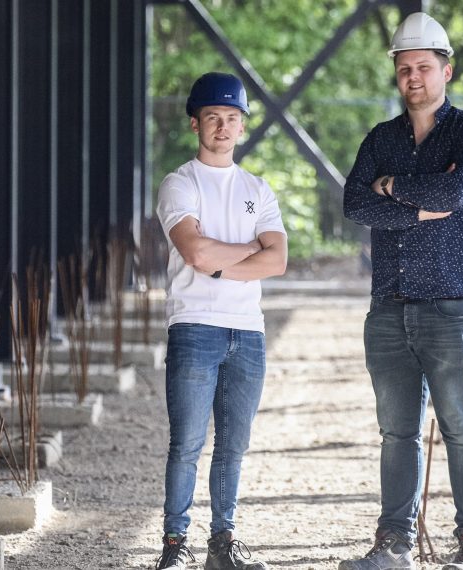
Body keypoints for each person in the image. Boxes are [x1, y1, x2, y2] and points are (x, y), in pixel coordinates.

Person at [340, 12, 463, 570]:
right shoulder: (380, 138)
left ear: (446, 71)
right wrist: (421, 207)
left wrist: (393, 190)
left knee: (462, 427)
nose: (413, 78)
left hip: (453, 305)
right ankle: (394, 545)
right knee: (396, 432)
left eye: (424, 67)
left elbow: (456, 191)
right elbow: (355, 204)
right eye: (405, 68)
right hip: (389, 307)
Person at [152, 71, 288, 570]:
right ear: (196, 124)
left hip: (247, 331)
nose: (223, 127)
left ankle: (222, 547)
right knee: (186, 443)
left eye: (232, 118)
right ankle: (174, 547)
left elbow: (277, 261)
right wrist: (251, 248)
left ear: (242, 125)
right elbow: (192, 249)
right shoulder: (179, 183)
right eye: (213, 117)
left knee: (233, 448)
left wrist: (220, 259)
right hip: (194, 325)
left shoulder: (258, 188)